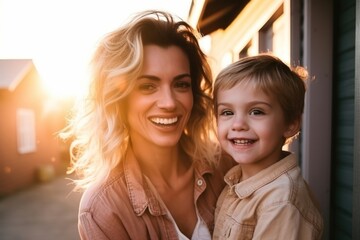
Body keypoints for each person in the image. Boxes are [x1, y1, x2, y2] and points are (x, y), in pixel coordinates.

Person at [60, 10, 233, 240]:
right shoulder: (103, 210)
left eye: (181, 84)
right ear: (119, 99)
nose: (169, 103)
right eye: (148, 86)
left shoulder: (227, 165)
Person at [212, 54, 324, 239]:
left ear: (290, 124)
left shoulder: (280, 203)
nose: (238, 124)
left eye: (256, 111)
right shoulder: (236, 180)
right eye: (227, 112)